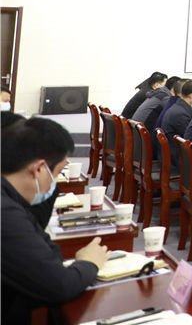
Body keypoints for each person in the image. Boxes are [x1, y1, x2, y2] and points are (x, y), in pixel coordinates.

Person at [2, 116, 111, 321]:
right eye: (59, 172)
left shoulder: (11, 201)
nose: (55, 183)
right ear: (38, 169)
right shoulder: (5, 214)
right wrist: (89, 262)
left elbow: (46, 250)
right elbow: (59, 285)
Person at [161, 79, 192, 167]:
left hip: (174, 154)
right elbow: (190, 138)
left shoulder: (179, 107)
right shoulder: (181, 114)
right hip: (177, 159)